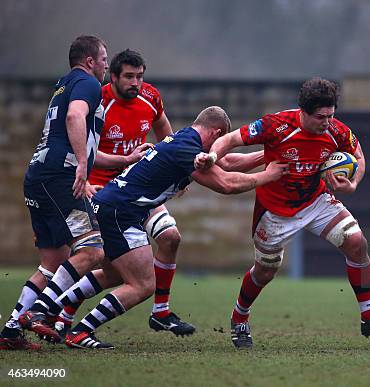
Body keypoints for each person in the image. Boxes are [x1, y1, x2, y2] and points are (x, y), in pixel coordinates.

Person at [61, 106, 287, 349]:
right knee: (143, 284)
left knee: (118, 272)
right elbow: (226, 183)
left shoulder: (187, 140)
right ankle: (80, 330)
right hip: (121, 211)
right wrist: (269, 175)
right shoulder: (186, 148)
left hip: (116, 206)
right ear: (216, 133)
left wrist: (268, 157)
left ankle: (61, 311)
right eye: (221, 141)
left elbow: (228, 162)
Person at [206, 77, 370, 348]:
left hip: (316, 200)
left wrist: (353, 181)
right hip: (274, 211)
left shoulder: (336, 130)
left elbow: (358, 156)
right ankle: (239, 318)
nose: (327, 122)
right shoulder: (275, 125)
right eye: (321, 117)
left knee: (357, 243)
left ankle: (368, 317)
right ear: (304, 112)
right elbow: (228, 140)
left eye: (331, 115)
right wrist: (212, 158)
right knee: (265, 272)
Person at [0, 36, 150, 351]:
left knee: (53, 261)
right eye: (104, 58)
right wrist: (82, 165)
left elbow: (78, 137)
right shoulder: (88, 84)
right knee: (93, 250)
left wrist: (125, 159)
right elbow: (73, 118)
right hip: (59, 177)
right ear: (90, 60)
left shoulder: (65, 83)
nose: (107, 64)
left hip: (40, 176)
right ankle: (42, 311)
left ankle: (11, 332)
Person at [53, 49, 196, 337]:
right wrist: (86, 180)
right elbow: (79, 141)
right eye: (129, 77)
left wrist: (177, 171)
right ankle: (63, 311)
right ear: (114, 77)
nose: (136, 83)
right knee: (110, 265)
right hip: (102, 190)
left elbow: (166, 134)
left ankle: (161, 312)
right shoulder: (98, 100)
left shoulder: (151, 97)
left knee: (170, 237)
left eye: (140, 77)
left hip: (139, 186)